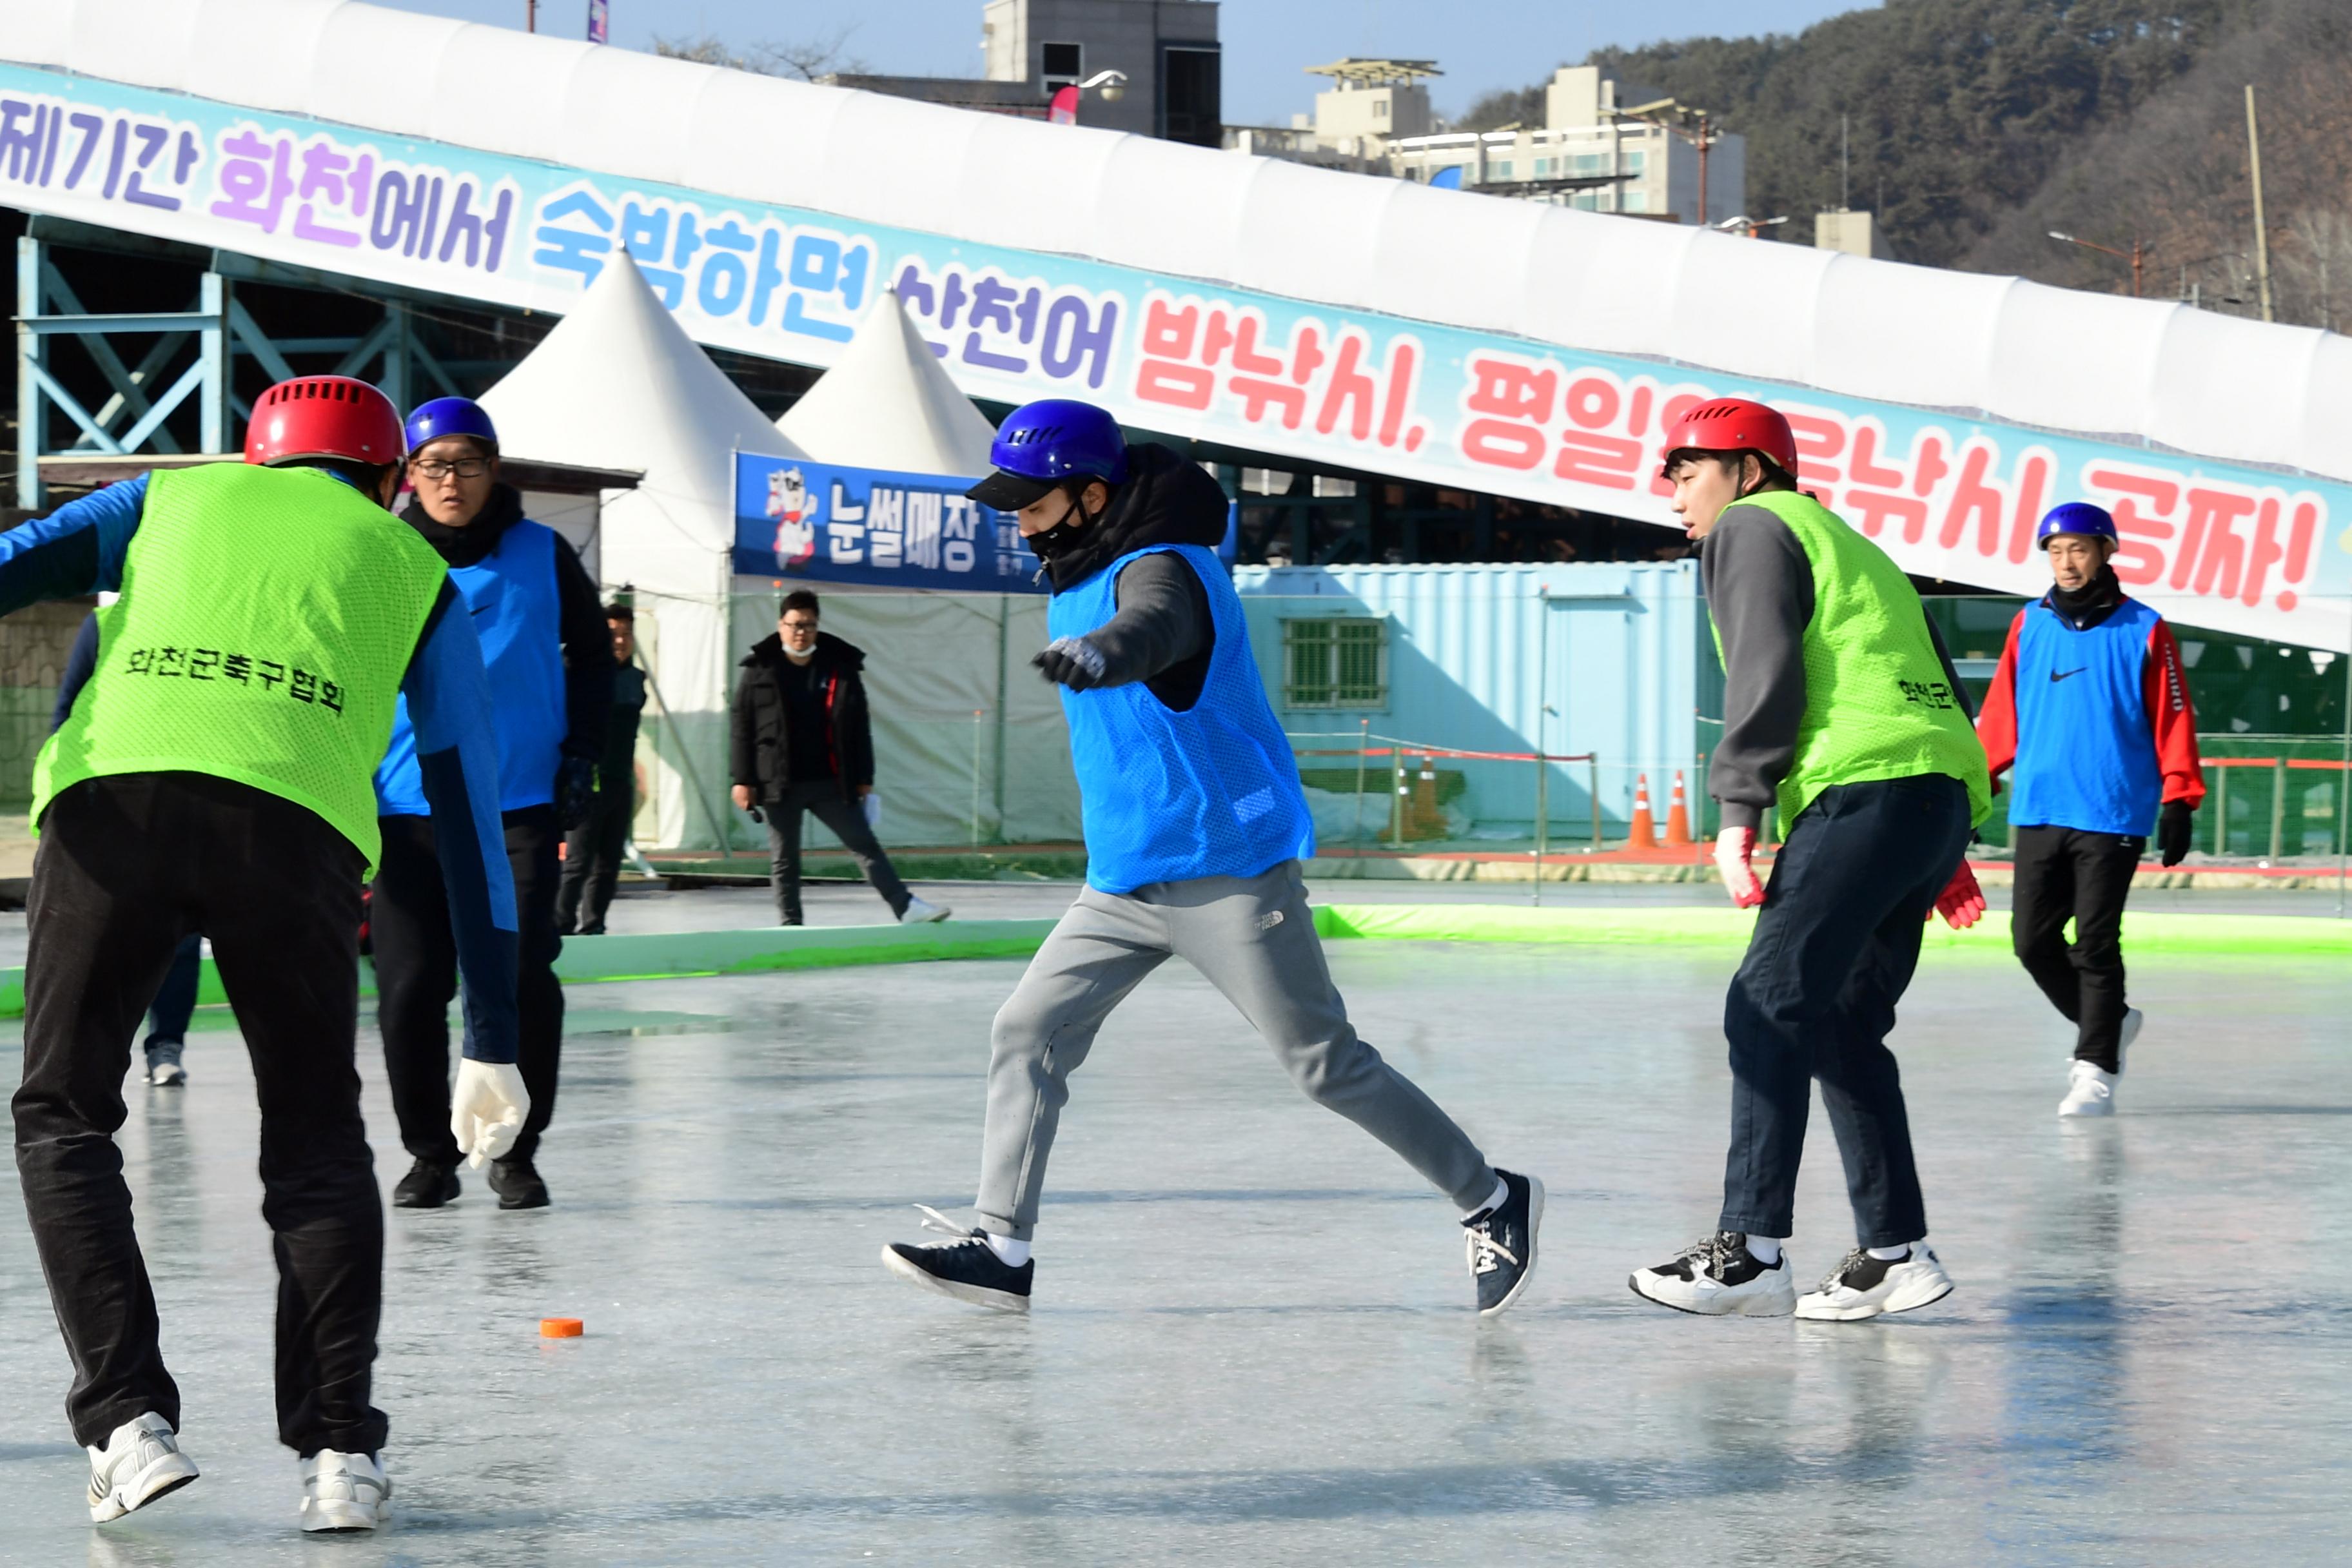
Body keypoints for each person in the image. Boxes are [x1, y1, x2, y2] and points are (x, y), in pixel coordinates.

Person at [881, 398, 1541, 1317]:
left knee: (1324, 1063)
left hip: (1227, 871)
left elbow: (1154, 627)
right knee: (1027, 1032)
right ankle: (1004, 1246)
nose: (1019, 521)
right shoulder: (1076, 574)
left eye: (1032, 503)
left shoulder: (1165, 567)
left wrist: (1106, 653)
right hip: (1122, 882)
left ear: (1092, 493)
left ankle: (1492, 1197)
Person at [8, 376, 524, 1533]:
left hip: (110, 810)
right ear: (391, 479)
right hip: (291, 836)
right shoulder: (416, 573)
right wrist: (490, 1026)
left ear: (256, 454)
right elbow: (468, 807)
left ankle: (126, 1424)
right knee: (315, 1138)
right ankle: (338, 1453)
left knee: (64, 1113)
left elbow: (17, 560)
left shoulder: (170, 500)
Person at [1627, 397, 1990, 1324]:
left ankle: (1748, 1248)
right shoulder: (1853, 543)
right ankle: (1894, 1252)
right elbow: (1938, 681)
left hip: (1863, 788)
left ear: (1747, 471)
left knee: (1768, 1003)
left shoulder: (1753, 526)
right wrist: (1946, 846)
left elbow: (1765, 667)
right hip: (1928, 797)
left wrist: (1738, 804)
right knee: (1837, 1025)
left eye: (1687, 470)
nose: (1672, 492)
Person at [371, 397, 609, 1213]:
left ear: (493, 470)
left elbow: (592, 661)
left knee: (516, 974)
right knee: (408, 986)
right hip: (406, 807)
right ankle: (429, 1154)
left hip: (516, 807)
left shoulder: (542, 551)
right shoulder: (386, 551)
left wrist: (583, 752)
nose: (451, 480)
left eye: (467, 463)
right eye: (433, 464)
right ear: (407, 474)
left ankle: (515, 1149)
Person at [1975, 502, 2204, 1118]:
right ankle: (2109, 1022)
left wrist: (2181, 795)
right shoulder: (2029, 624)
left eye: (2078, 549)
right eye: (2055, 551)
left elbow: (2173, 717)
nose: (2066, 562)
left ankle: (2095, 1069)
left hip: (2112, 809)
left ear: (2106, 552)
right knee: (2031, 941)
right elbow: (2001, 712)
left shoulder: (2146, 629)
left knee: (2096, 942)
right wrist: (1978, 781)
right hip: (2040, 806)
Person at [729, 589, 948, 926]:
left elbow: (859, 727)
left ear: (818, 626)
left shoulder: (840, 667)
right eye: (795, 625)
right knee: (784, 858)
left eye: (809, 625)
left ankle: (906, 907)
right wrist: (742, 780)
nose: (801, 632)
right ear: (781, 625)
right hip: (778, 782)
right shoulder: (759, 669)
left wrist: (865, 780)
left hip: (830, 781)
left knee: (864, 845)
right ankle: (791, 925)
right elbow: (742, 728)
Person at [52, 611, 201, 1087]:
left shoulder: (214, 621)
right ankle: (93, 1058)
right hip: (116, 803)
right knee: (100, 936)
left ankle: (166, 1046)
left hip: (197, 802)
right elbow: (68, 715)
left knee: (181, 939)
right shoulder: (105, 622)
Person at [556, 600, 650, 936]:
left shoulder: (636, 679)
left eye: (627, 634)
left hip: (619, 781)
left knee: (609, 863)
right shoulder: (580, 674)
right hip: (587, 781)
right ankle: (561, 926)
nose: (621, 641)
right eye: (613, 634)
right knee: (578, 861)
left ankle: (594, 925)